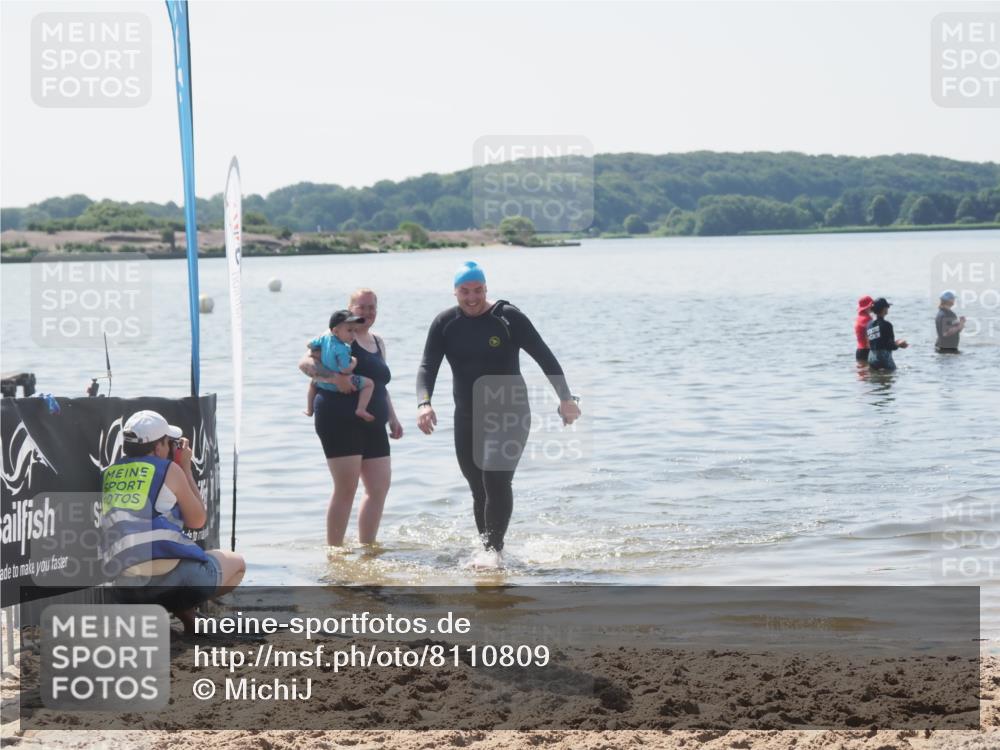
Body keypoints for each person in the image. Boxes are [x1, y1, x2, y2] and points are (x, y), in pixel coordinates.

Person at [416, 261, 580, 566]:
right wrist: (423, 403)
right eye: (465, 291)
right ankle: (491, 551)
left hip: (510, 413)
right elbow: (427, 366)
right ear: (455, 292)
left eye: (478, 290)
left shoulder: (508, 318)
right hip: (467, 417)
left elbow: (546, 357)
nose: (472, 297)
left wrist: (566, 398)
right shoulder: (445, 323)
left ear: (486, 289)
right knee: (478, 487)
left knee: (494, 477)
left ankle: (492, 555)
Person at [101, 410, 246, 634]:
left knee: (162, 558)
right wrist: (185, 468)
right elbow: (198, 520)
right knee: (236, 564)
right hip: (171, 582)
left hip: (124, 588)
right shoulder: (169, 469)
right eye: (168, 442)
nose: (170, 448)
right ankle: (179, 609)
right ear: (158, 447)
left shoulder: (110, 473)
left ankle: (182, 620)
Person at [299, 289, 401, 546]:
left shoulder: (378, 341)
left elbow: (380, 384)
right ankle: (335, 552)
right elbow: (304, 364)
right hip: (337, 417)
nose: (367, 312)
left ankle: (367, 549)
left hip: (372, 420)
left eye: (372, 307)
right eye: (361, 307)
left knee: (379, 487)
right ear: (350, 309)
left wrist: (392, 417)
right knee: (347, 488)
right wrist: (335, 378)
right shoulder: (337, 335)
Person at [304, 310, 376, 422]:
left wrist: (318, 351)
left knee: (312, 383)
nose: (353, 335)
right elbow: (345, 369)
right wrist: (353, 361)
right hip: (343, 384)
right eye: (349, 330)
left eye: (354, 330)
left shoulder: (324, 338)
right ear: (336, 331)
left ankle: (309, 409)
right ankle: (361, 409)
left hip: (322, 382)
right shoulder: (343, 348)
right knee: (369, 384)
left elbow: (310, 344)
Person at [866, 297, 909, 371]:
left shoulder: (869, 324)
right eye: (887, 307)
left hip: (871, 357)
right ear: (884, 309)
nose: (888, 309)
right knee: (890, 378)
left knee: (874, 380)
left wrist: (895, 343)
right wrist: (899, 344)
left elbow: (877, 342)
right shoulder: (887, 325)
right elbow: (891, 346)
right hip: (883, 358)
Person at [854, 295, 874, 364]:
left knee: (862, 373)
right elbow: (868, 337)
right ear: (868, 306)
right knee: (868, 373)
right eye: (872, 305)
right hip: (866, 351)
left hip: (859, 350)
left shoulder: (858, 318)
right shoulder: (867, 319)